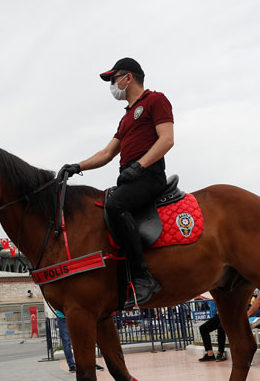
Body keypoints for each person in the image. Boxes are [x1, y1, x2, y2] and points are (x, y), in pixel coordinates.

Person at [57, 57, 173, 309]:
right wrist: (77, 166)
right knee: (104, 206)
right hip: (130, 178)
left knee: (115, 206)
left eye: (114, 78)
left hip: (149, 177)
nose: (112, 84)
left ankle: (143, 277)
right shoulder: (126, 118)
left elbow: (166, 140)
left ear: (128, 77)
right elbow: (107, 154)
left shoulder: (155, 100)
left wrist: (139, 166)